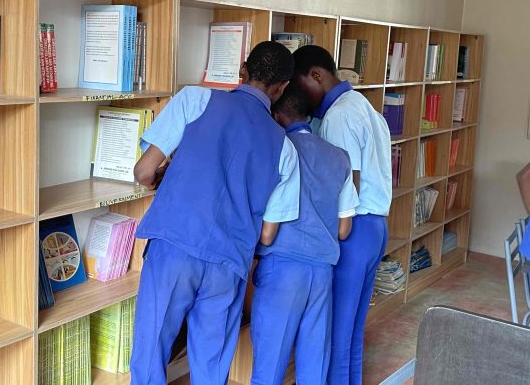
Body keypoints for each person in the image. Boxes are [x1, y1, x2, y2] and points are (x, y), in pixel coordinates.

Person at [130, 41, 301, 385]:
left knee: (150, 355)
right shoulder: (285, 147)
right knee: (210, 366)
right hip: (229, 261)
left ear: (242, 69)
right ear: (281, 88)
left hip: (175, 245)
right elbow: (268, 232)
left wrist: (164, 178)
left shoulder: (194, 99)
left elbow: (143, 172)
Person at [293, 45, 392, 385]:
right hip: (375, 228)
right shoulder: (361, 104)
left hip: (352, 232)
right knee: (350, 333)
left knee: (335, 336)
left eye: (299, 83)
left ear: (317, 76)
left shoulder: (338, 118)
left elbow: (347, 186)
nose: (297, 95)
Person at [250, 85, 359, 385]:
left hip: (282, 270)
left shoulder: (276, 150)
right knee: (313, 367)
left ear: (278, 116)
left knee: (270, 367)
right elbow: (344, 228)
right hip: (323, 271)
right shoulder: (339, 157)